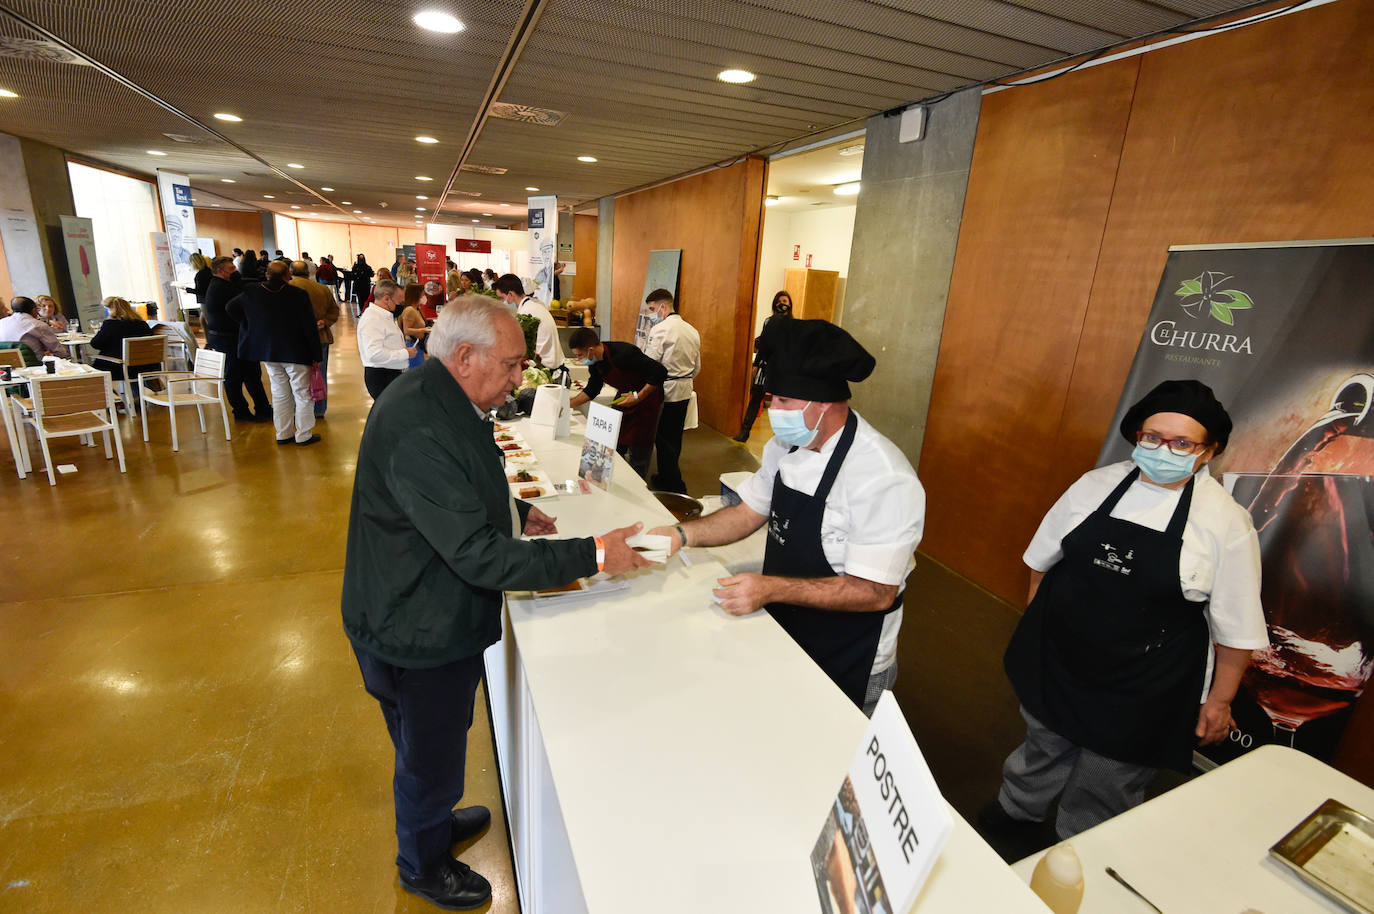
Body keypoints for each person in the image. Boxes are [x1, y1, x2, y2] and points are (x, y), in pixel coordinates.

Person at [341, 296, 649, 909]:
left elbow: (465, 486)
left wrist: (517, 510)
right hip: (414, 626)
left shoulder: (444, 398)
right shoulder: (420, 424)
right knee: (429, 753)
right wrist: (592, 555)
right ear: (464, 357)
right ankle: (422, 865)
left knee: (435, 742)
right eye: (510, 366)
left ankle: (431, 821)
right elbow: (478, 555)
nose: (517, 378)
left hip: (416, 609)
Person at [986, 379, 1266, 846]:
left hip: (1144, 683)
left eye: (1181, 442)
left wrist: (1218, 702)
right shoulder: (1094, 486)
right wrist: (1041, 636)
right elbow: (1040, 564)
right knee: (1041, 747)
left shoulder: (1226, 522)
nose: (1163, 450)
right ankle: (1015, 817)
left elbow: (1236, 629)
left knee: (1107, 777)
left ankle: (1082, 851)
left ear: (1208, 450)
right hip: (1062, 660)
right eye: (1152, 437)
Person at [646, 318, 924, 715]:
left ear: (824, 402)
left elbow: (874, 592)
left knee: (833, 765)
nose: (772, 412)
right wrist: (679, 534)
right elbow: (746, 512)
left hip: (848, 652)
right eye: (771, 398)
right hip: (786, 629)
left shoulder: (883, 478)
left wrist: (769, 588)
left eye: (783, 402)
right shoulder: (786, 446)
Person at [227, 261, 322, 445]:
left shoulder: (252, 291)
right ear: (288, 275)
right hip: (297, 352)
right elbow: (309, 327)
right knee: (302, 394)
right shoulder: (298, 294)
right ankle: (304, 434)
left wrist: (250, 325)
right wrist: (316, 355)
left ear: (267, 274)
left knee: (279, 393)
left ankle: (283, 433)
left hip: (269, 352)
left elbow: (230, 308)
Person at [567, 327, 666, 479]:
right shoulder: (594, 362)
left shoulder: (625, 353)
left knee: (639, 451)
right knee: (612, 444)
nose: (579, 359)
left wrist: (638, 397)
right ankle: (612, 481)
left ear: (591, 349)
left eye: (580, 355)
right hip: (624, 397)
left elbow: (660, 372)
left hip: (646, 400)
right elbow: (593, 389)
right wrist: (567, 404)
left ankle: (637, 485)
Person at [641, 289, 700, 494]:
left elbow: (650, 362)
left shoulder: (660, 330)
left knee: (663, 438)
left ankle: (674, 484)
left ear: (662, 307)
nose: (651, 314)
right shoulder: (692, 330)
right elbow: (697, 367)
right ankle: (666, 476)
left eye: (652, 309)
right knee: (674, 437)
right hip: (685, 388)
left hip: (666, 388)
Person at [203, 256, 269, 422]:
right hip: (228, 339)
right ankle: (240, 411)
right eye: (231, 270)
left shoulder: (225, 285)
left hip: (238, 337)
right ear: (220, 271)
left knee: (252, 374)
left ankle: (263, 408)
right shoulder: (220, 288)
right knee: (234, 376)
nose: (235, 272)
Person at [735, 290, 792, 442]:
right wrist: (756, 364)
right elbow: (763, 344)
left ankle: (781, 437)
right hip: (765, 367)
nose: (782, 304)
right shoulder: (768, 321)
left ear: (790, 304)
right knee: (756, 397)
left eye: (785, 302)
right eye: (780, 301)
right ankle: (744, 431)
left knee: (781, 403)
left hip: (781, 368)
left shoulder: (792, 325)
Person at [289, 260, 340, 419]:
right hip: (321, 336)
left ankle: (300, 408)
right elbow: (334, 310)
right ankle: (319, 408)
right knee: (319, 373)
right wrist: (324, 321)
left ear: (291, 272)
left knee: (296, 375)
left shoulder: (287, 289)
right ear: (309, 272)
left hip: (295, 338)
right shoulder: (321, 289)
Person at [358, 279, 416, 400]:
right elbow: (374, 354)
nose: (401, 305)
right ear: (386, 299)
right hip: (382, 376)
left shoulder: (384, 316)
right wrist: (404, 353)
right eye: (399, 301)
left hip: (390, 373)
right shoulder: (373, 319)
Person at [494, 274, 562, 367]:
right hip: (551, 363)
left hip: (545, 367)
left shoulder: (526, 314)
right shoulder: (534, 307)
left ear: (510, 294)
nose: (502, 303)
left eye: (502, 298)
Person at [90, 297, 153, 382]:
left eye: (108, 309)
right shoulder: (142, 324)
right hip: (146, 366)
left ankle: (114, 393)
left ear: (112, 310)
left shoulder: (110, 325)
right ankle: (135, 394)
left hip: (119, 368)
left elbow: (95, 344)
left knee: (96, 366)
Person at [0, 296, 69, 358]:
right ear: (34, 310)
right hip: (35, 365)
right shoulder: (38, 325)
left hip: (8, 366)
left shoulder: (2, 323)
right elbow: (59, 352)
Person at [398, 283, 428, 370]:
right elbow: (406, 330)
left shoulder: (417, 309)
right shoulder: (410, 310)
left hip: (418, 345)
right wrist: (423, 330)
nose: (424, 295)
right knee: (418, 372)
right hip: (413, 344)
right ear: (417, 294)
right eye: (423, 293)